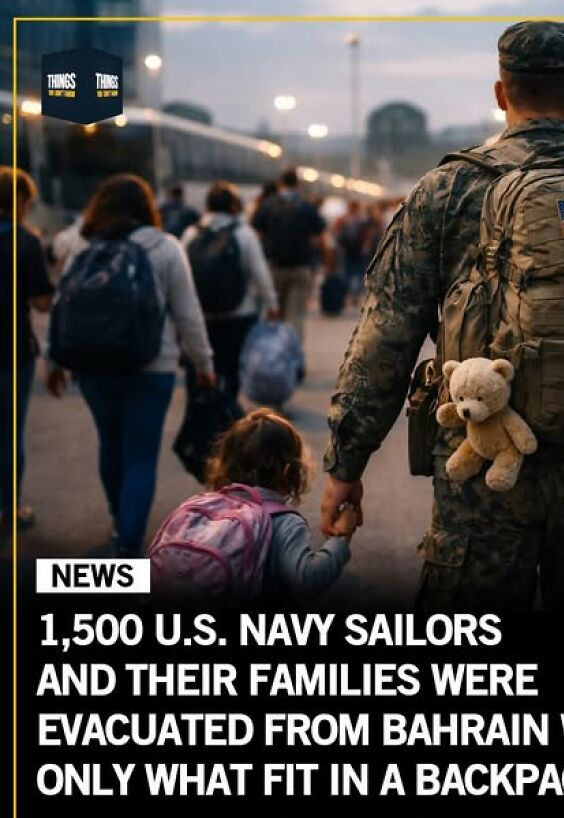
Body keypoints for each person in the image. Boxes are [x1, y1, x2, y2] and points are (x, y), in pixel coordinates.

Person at [320, 20, 564, 611]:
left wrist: (347, 463)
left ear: (502, 93)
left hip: (481, 471)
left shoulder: (448, 191)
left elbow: (384, 338)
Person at [48, 173, 215, 556]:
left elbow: (63, 304)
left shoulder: (81, 244)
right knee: (141, 454)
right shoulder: (165, 246)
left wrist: (53, 359)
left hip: (92, 366)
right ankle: (128, 543)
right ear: (146, 207)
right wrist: (204, 362)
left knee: (110, 443)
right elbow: (188, 313)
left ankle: (118, 522)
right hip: (151, 367)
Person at [205, 408, 356, 600]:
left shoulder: (204, 511)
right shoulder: (283, 522)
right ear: (288, 472)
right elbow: (307, 580)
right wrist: (340, 540)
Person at [182, 180, 279, 417]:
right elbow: (259, 273)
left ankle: (202, 415)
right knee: (230, 367)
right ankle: (227, 414)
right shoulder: (243, 234)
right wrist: (271, 304)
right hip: (237, 315)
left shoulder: (191, 233)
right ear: (235, 206)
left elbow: (182, 277)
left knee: (201, 367)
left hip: (201, 315)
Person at [0, 167, 54, 532]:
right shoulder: (25, 241)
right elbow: (41, 304)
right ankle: (9, 510)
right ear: (18, 201)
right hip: (10, 349)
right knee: (8, 433)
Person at [252, 167, 329, 346]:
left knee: (274, 311)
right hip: (300, 268)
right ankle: (292, 356)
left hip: (275, 267)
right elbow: (319, 231)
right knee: (296, 315)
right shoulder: (306, 205)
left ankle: (273, 355)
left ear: (281, 183)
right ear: (298, 184)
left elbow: (256, 227)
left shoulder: (269, 204)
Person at [335, 200, 369, 302]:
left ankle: (346, 293)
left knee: (346, 271)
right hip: (358, 249)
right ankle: (354, 294)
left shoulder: (343, 219)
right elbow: (366, 235)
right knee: (358, 272)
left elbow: (337, 233)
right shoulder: (362, 220)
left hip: (346, 249)